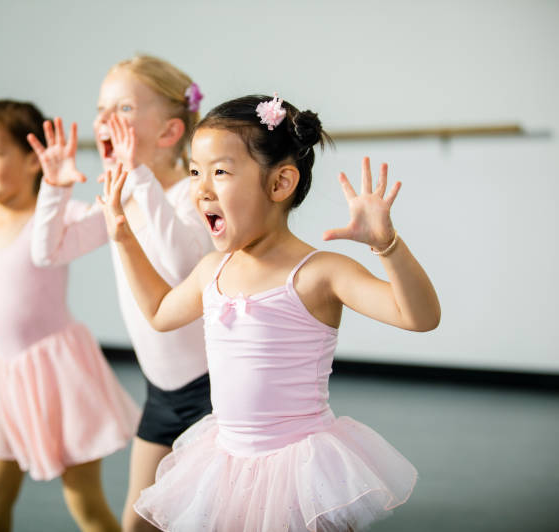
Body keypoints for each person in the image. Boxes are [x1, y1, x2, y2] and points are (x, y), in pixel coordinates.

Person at [99, 93, 442, 531]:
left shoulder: (319, 272)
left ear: (280, 183)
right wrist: (124, 239)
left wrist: (386, 245)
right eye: (194, 172)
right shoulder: (212, 270)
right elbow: (160, 313)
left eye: (219, 172)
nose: (200, 188)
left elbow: (420, 317)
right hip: (226, 464)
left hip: (298, 472)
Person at [27, 54, 213, 532]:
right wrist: (53, 188)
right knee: (139, 523)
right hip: (162, 394)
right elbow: (50, 251)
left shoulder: (192, 196)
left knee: (214, 518)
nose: (103, 120)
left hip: (214, 392)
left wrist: (142, 179)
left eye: (124, 109)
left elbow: (182, 272)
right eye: (100, 107)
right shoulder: (124, 193)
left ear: (171, 132)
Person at [0, 99, 141, 531]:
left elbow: (104, 216)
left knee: (85, 502)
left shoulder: (53, 217)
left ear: (36, 161)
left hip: (59, 371)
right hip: (5, 375)